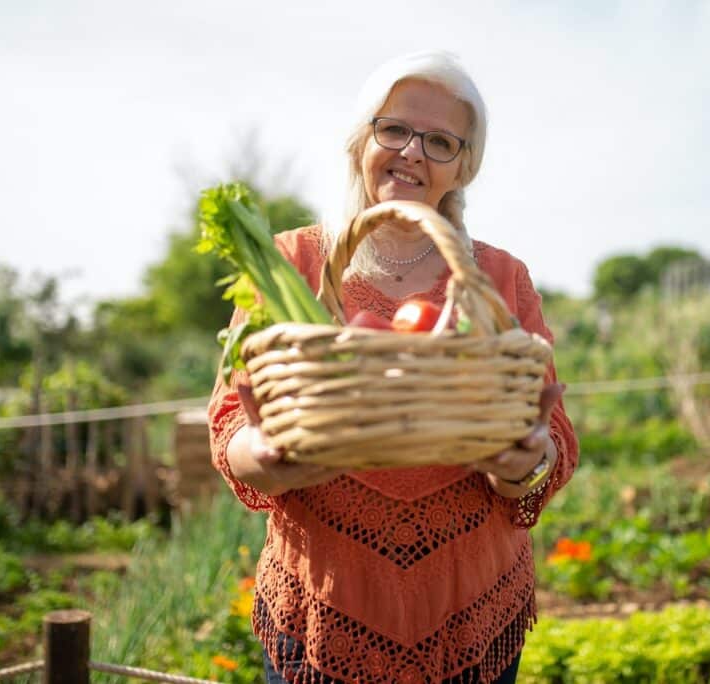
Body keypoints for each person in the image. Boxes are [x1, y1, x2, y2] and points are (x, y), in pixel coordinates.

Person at [208, 50, 578, 684]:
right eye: (395, 129)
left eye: (440, 141)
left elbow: (555, 441)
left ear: (464, 165)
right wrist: (260, 454)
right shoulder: (289, 262)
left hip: (471, 605)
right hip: (322, 600)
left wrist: (523, 467)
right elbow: (226, 420)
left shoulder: (499, 278)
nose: (412, 152)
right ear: (361, 139)